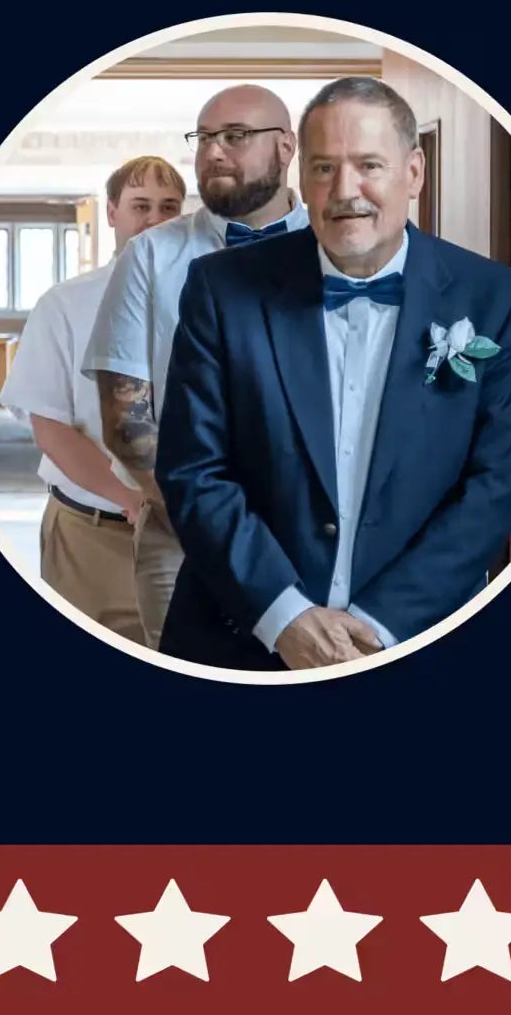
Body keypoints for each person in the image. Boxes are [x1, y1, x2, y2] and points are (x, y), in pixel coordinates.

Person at [156, 76, 511, 670]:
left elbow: (494, 485)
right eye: (323, 168)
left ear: (413, 173)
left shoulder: (495, 299)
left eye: (368, 165)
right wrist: (283, 616)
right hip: (238, 639)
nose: (346, 191)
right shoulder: (220, 289)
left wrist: (379, 627)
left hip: (419, 633)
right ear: (300, 176)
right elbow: (193, 471)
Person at [81, 85, 308, 649]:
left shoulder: (336, 249)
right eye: (204, 138)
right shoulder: (151, 255)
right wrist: (214, 523)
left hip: (313, 532)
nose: (213, 152)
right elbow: (126, 421)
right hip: (180, 535)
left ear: (285, 148)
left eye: (235, 137)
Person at [0, 157, 187, 642]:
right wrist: (136, 501)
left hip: (191, 540)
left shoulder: (210, 299)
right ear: (112, 213)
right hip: (93, 534)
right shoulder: (64, 305)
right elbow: (52, 430)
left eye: (169, 207)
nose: (155, 219)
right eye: (140, 205)